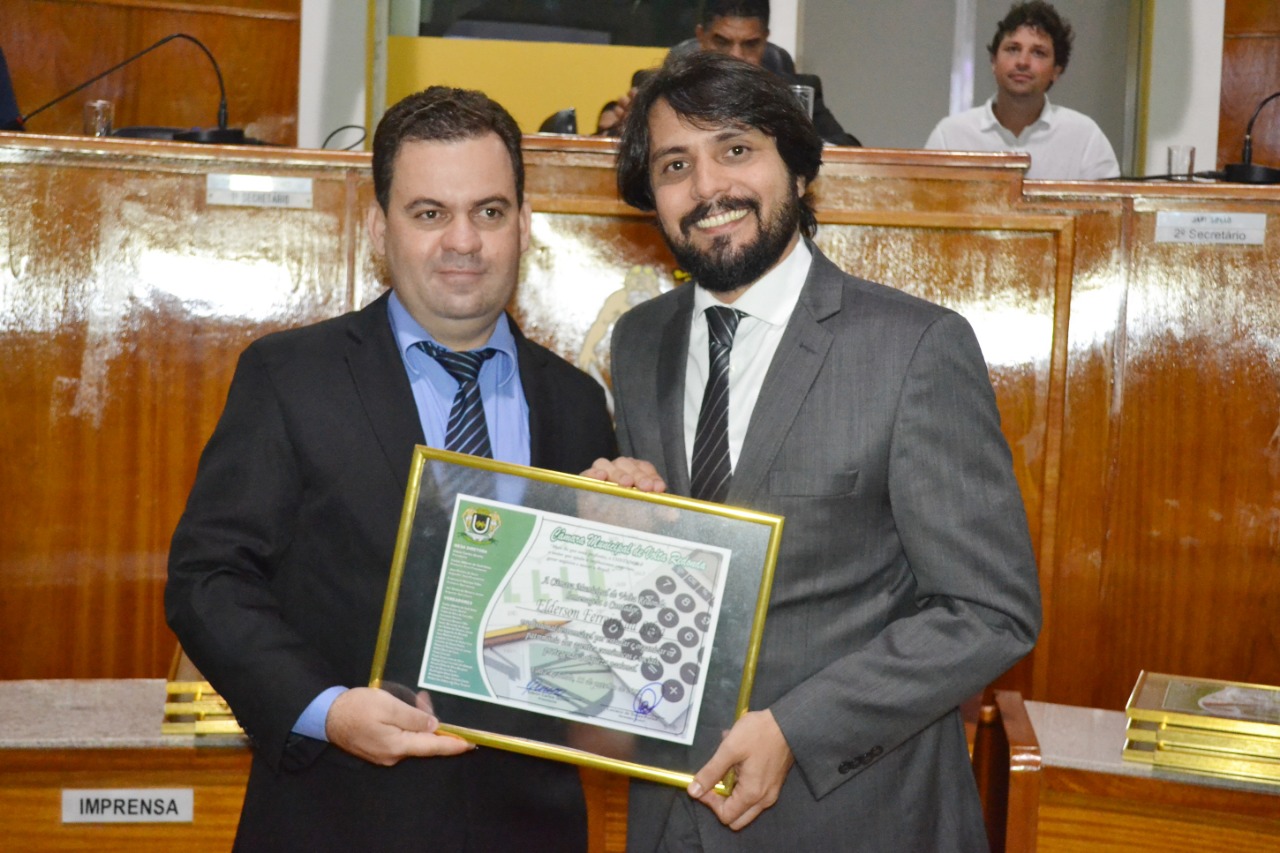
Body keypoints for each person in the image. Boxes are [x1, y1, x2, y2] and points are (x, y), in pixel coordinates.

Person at [586, 51, 1042, 850]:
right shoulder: (638, 341)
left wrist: (797, 728)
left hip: (853, 816)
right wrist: (608, 526)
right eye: (674, 165)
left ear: (797, 169)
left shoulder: (914, 348)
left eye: (736, 149)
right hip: (671, 816)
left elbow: (989, 611)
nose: (708, 187)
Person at [166, 86, 616, 852]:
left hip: (529, 826)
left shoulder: (577, 402)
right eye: (429, 212)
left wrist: (638, 528)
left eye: (489, 211)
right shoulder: (290, 377)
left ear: (524, 225)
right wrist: (327, 709)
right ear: (380, 227)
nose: (463, 241)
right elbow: (207, 578)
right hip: (335, 816)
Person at [616, 0, 860, 147]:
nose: (735, 56)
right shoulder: (655, 89)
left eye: (750, 44)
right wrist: (631, 131)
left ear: (765, 40)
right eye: (722, 42)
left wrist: (798, 135)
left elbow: (848, 148)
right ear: (701, 37)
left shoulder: (797, 92)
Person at [925, 1, 1119, 180]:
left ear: (1056, 71)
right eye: (1012, 49)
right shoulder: (950, 137)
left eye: (1038, 53)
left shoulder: (1085, 138)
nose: (1023, 62)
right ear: (993, 62)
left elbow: (1113, 206)